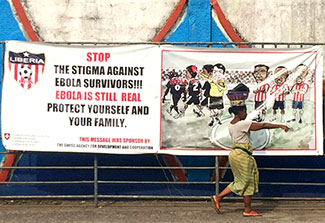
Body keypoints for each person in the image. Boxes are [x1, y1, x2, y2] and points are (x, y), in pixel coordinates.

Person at [211, 83, 289, 217]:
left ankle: (240, 206)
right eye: (245, 111)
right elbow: (262, 125)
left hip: (237, 154)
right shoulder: (242, 124)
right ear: (240, 112)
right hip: (242, 155)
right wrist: (279, 125)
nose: (246, 113)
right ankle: (227, 201)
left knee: (242, 181)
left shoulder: (231, 124)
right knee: (246, 182)